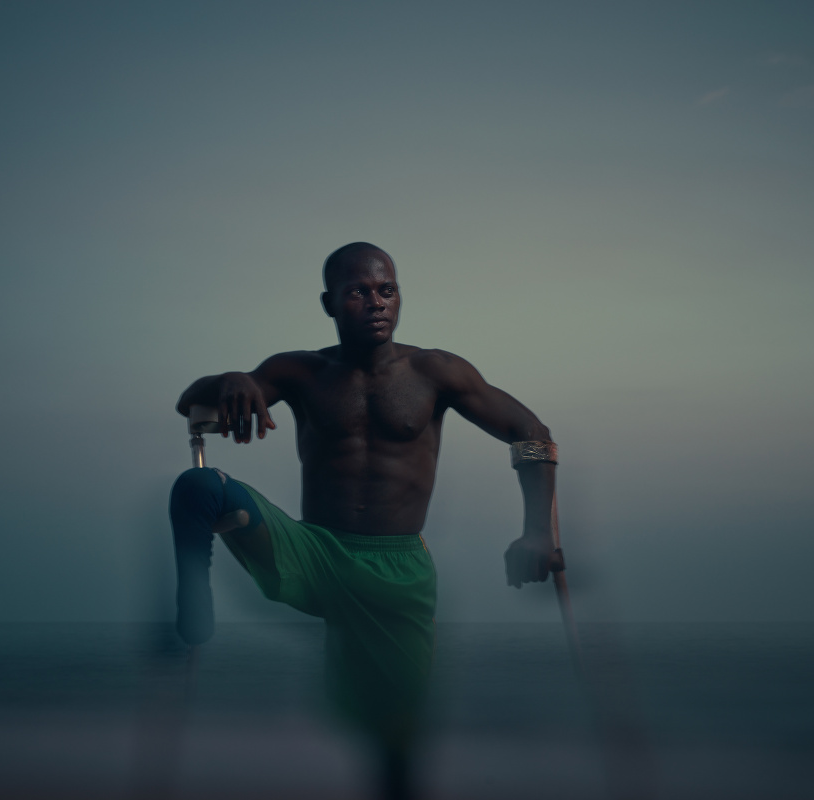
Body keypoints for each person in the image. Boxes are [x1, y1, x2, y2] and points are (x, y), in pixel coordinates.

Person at [171, 242, 563, 799]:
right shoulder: (300, 371)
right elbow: (191, 403)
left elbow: (532, 433)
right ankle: (192, 612)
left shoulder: (436, 371)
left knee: (395, 748)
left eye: (387, 290)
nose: (376, 302)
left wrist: (538, 532)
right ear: (329, 303)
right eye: (358, 291)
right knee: (199, 489)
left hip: (396, 575)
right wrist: (231, 378)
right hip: (316, 554)